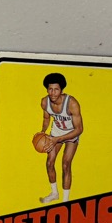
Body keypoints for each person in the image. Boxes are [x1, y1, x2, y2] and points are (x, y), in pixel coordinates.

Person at [36, 72, 83, 203]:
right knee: (49, 162)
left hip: (71, 133)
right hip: (56, 132)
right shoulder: (45, 102)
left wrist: (58, 139)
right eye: (50, 89)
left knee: (66, 164)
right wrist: (42, 132)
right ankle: (54, 193)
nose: (53, 93)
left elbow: (79, 129)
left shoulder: (72, 103)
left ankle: (65, 200)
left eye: (56, 89)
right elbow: (46, 119)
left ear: (61, 90)